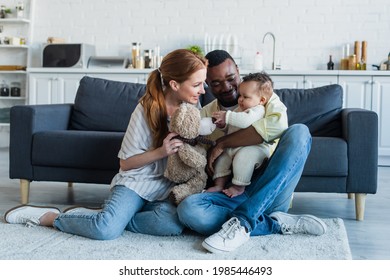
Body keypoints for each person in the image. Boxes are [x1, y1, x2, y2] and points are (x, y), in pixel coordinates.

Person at [4, 49, 208, 240]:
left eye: (203, 83)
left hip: (166, 187)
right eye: (197, 84)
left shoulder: (192, 105)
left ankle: (108, 216)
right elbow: (126, 164)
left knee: (171, 225)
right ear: (174, 84)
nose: (203, 89)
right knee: (105, 230)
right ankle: (48, 217)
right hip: (137, 182)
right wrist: (161, 152)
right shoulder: (145, 109)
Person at [177, 50, 327, 253]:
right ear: (207, 84)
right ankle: (273, 223)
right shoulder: (207, 113)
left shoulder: (265, 97)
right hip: (232, 195)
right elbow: (200, 154)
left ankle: (243, 221)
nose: (227, 87)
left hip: (270, 187)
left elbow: (277, 126)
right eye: (216, 83)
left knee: (299, 132)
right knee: (188, 210)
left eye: (231, 78)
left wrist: (222, 143)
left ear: (238, 71)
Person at [206, 72, 281, 198]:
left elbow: (245, 121)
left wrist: (227, 116)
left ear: (261, 100)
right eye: (240, 95)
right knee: (221, 160)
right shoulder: (239, 110)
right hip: (233, 146)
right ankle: (219, 184)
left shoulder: (258, 110)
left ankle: (238, 187)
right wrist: (223, 125)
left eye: (245, 97)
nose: (240, 99)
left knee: (243, 159)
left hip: (254, 148)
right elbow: (232, 128)